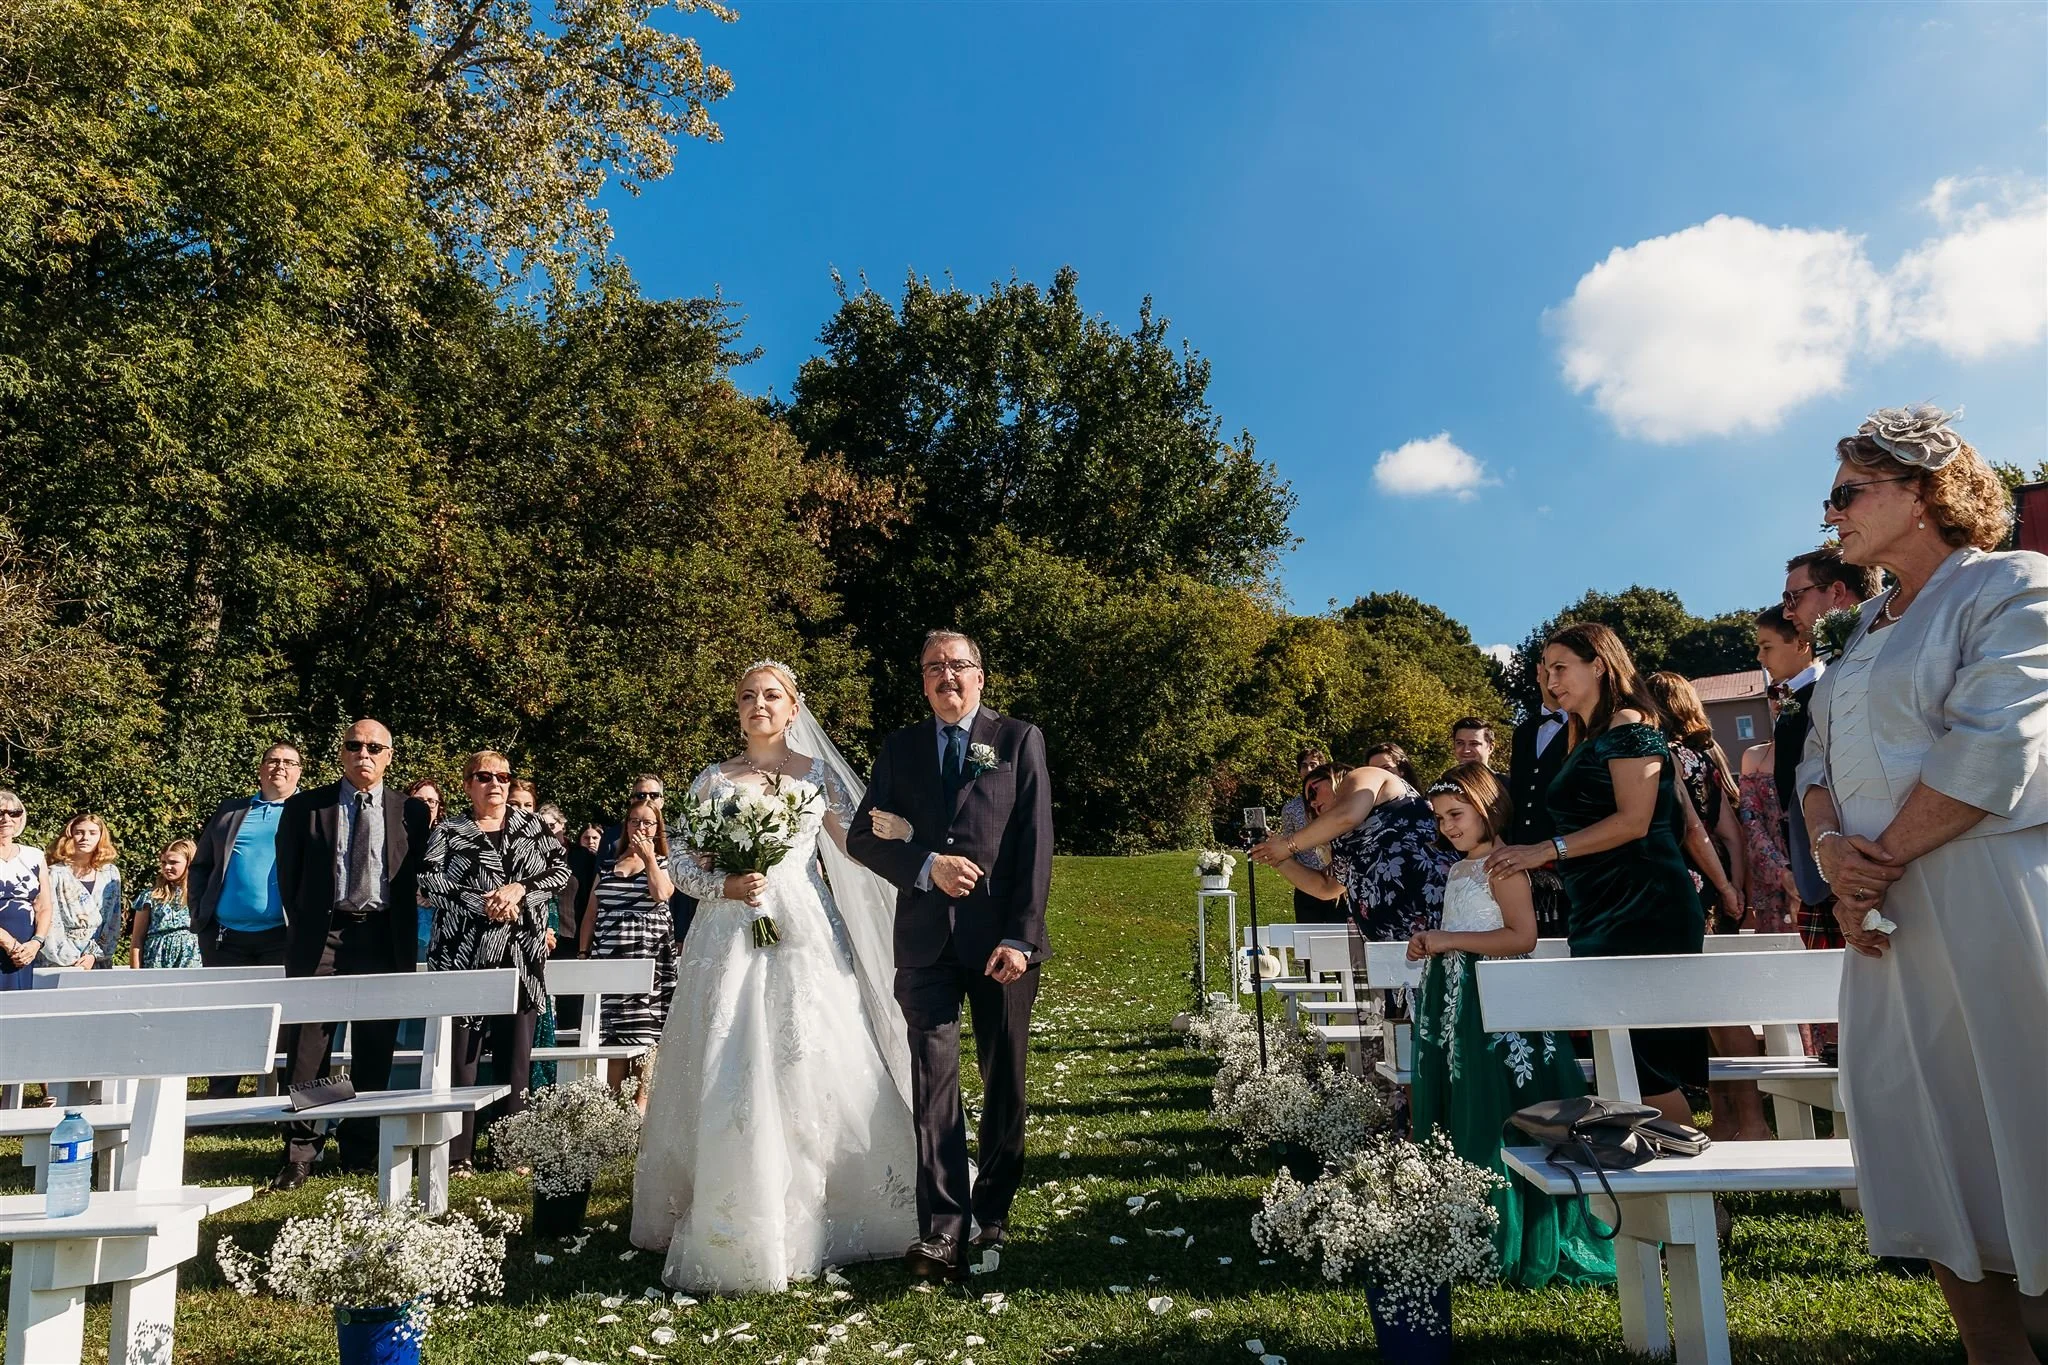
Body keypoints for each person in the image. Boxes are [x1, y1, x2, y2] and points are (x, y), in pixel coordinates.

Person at [1795, 405, 2047, 1358]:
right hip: (1882, 920)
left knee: (2023, 1110)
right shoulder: (1861, 625)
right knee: (1928, 1128)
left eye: (1847, 492)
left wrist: (1873, 866)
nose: (1832, 514)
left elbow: (1994, 745)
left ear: (1923, 491)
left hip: (1987, 896)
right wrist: (1833, 854)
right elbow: (1814, 761)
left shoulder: (2011, 583)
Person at [635, 658, 927, 1292]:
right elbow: (680, 863)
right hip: (727, 932)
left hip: (803, 929)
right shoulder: (712, 779)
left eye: (772, 695)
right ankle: (730, 1207)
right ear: (737, 709)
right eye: (748, 696)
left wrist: (911, 841)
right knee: (729, 1052)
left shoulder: (816, 775)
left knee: (810, 1051)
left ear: (793, 709)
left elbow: (856, 845)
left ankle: (831, 1201)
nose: (759, 705)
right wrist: (725, 885)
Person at [845, 632, 1053, 1284]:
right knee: (933, 1083)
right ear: (923, 680)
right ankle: (941, 1232)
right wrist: (927, 864)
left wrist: (1021, 937)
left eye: (957, 665)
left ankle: (993, 1206)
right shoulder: (900, 748)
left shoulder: (1017, 740)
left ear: (980, 676)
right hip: (925, 943)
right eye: (933, 667)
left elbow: (1035, 842)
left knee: (1003, 1078)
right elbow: (861, 837)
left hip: (1000, 943)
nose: (946, 676)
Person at [1486, 623, 1718, 1130]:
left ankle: (1691, 1165)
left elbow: (1635, 822)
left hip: (1643, 903)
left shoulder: (1629, 725)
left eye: (1561, 667)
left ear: (1599, 665)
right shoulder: (1586, 734)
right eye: (1546, 670)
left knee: (1645, 1059)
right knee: (1617, 1048)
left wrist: (1547, 849)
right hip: (1598, 903)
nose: (1550, 681)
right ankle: (1649, 1162)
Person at [1407, 763, 1615, 1290]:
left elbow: (1522, 937)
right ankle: (1467, 1224)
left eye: (1457, 814)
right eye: (1440, 818)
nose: (1448, 826)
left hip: (1498, 1002)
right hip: (1457, 1000)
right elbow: (1462, 928)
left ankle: (1519, 1229)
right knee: (1463, 1100)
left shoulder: (1504, 867)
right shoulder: (1459, 869)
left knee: (1498, 1105)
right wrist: (1433, 943)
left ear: (1487, 808)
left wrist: (1450, 940)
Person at [271, 719, 432, 1189]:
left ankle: (360, 1145)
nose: (364, 754)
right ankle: (303, 1149)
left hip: (383, 935)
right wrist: (308, 925)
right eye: (355, 745)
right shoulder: (306, 807)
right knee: (310, 1047)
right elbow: (289, 877)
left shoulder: (410, 811)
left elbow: (417, 874)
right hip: (324, 934)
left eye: (374, 747)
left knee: (374, 1045)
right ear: (342, 753)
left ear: (389, 757)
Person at [422, 750, 570, 1173]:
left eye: (503, 777)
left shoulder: (533, 826)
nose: (496, 784)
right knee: (462, 1059)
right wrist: (483, 902)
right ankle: (458, 1153)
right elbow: (430, 879)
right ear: (468, 784)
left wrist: (519, 890)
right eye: (485, 777)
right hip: (463, 954)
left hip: (521, 954)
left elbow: (560, 871)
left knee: (516, 1057)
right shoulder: (450, 830)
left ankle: (512, 1149)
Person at [1780, 542, 1885, 952]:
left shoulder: (1887, 660)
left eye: (1794, 597)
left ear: (1837, 593)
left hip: (1880, 866)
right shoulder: (1833, 674)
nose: (1787, 612)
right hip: (1841, 868)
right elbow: (1814, 768)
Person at [1250, 750, 1453, 945]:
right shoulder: (1344, 839)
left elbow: (1347, 815)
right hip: (1390, 944)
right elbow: (1326, 888)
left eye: (1314, 790)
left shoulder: (1365, 775)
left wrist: (1287, 845)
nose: (1312, 802)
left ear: (1335, 777)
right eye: (1307, 800)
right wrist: (1276, 858)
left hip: (1436, 920)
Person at [578, 792, 677, 1106]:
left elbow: (662, 894)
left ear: (657, 828)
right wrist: (583, 954)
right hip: (609, 959)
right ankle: (614, 1111)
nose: (640, 828)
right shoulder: (608, 865)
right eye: (634, 822)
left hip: (648, 961)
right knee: (613, 1038)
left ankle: (641, 1110)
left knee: (645, 1038)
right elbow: (591, 913)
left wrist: (649, 859)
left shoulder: (665, 863)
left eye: (647, 823)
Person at [1645, 672, 1748, 931]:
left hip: (1679, 878)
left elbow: (1691, 829)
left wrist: (1726, 888)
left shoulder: (1660, 758)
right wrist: (1735, 888)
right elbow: (1732, 834)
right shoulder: (1705, 760)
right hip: (1717, 877)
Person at [188, 742, 303, 969]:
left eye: (289, 762)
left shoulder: (310, 813)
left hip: (285, 937)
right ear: (261, 768)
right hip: (224, 939)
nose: (280, 767)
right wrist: (198, 912)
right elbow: (202, 865)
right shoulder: (230, 811)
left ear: (299, 772)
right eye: (273, 761)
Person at [1740, 607, 1803, 937]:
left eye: (1787, 692)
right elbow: (1752, 824)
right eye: (1774, 692)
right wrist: (1783, 874)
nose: (1779, 700)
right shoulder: (1753, 757)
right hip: (1774, 883)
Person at [1506, 679, 1573, 938]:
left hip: (1569, 860)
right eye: (1548, 666)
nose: (1554, 677)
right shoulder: (1523, 731)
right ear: (1537, 672)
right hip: (1523, 866)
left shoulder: (1586, 727)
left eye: (1561, 668)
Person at [40, 813, 122, 970]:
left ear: (101, 837)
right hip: (60, 958)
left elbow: (113, 919)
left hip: (98, 957)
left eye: (92, 833)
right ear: (70, 836)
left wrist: (95, 954)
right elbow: (50, 919)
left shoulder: (110, 873)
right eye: (79, 832)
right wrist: (72, 958)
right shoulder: (54, 874)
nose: (85, 838)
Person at [1277, 746, 1344, 925]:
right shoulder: (1291, 808)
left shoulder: (1338, 803)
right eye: (1304, 765)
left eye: (1313, 764)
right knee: (1307, 934)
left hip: (1338, 879)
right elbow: (1289, 844)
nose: (1308, 769)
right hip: (1307, 881)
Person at [0, 789, 52, 993]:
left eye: (14, 813)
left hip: (24, 953)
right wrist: (8, 943)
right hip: (11, 948)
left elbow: (44, 905)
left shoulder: (34, 856)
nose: (6, 818)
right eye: (0, 813)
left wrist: (36, 943)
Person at [128, 839, 201, 969]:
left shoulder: (200, 894)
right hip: (156, 960)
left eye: (173, 862)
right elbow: (137, 939)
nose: (167, 867)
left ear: (189, 862)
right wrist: (135, 973)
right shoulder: (150, 897)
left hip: (191, 960)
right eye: (163, 862)